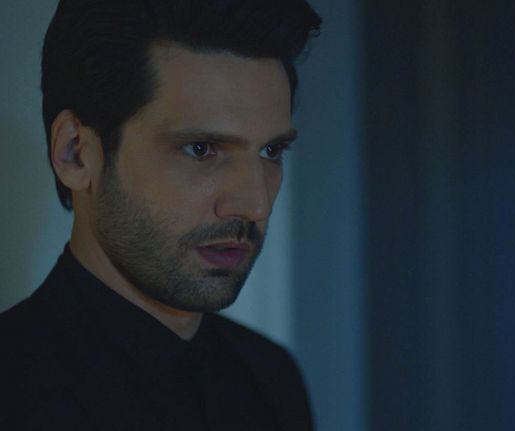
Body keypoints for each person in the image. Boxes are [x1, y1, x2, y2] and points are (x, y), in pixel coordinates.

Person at [0, 0, 321, 429]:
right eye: (201, 149)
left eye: (271, 151)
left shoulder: (271, 378)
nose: (255, 205)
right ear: (75, 153)